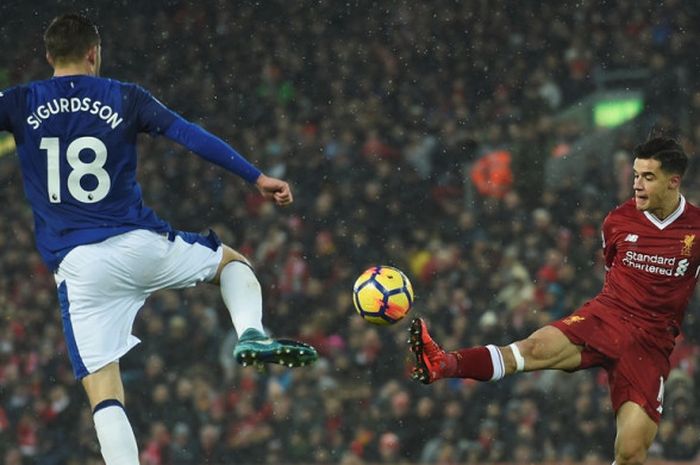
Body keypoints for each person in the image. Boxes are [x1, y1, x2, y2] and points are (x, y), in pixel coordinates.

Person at [0, 13, 317, 465]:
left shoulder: (18, 101)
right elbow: (189, 135)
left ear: (49, 56)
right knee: (231, 264)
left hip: (81, 269)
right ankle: (250, 332)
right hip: (141, 244)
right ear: (95, 53)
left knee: (104, 392)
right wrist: (256, 176)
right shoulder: (126, 97)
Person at [410, 136, 699, 465]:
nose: (637, 185)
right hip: (607, 318)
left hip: (649, 345)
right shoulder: (617, 221)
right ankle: (445, 363)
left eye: (648, 177)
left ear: (673, 181)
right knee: (533, 348)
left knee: (631, 453)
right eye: (635, 175)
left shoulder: (696, 229)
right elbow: (612, 270)